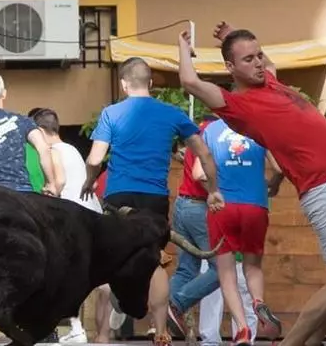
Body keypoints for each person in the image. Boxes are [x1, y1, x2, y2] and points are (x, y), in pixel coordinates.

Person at [177, 24, 326, 346]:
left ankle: (312, 339)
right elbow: (189, 81)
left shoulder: (270, 82)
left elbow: (270, 65)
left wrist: (233, 35)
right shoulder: (239, 106)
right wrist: (183, 46)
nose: (258, 63)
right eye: (248, 59)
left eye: (259, 55)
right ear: (231, 67)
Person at [80, 57, 224, 346]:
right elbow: (205, 154)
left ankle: (110, 323)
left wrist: (89, 180)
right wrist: (214, 190)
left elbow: (95, 159)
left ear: (124, 84)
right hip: (154, 199)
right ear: (151, 83)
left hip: (118, 197)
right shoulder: (171, 113)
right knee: (155, 260)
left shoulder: (112, 113)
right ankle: (160, 330)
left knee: (112, 257)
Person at [191, 117, 283, 344]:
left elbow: (198, 173)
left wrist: (212, 191)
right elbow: (280, 167)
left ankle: (242, 329)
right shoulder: (259, 126)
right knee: (252, 267)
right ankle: (258, 302)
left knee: (226, 272)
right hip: (255, 205)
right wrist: (273, 184)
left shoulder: (211, 130)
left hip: (223, 206)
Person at [30, 108, 112, 344]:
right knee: (100, 280)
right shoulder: (72, 149)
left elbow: (59, 182)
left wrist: (48, 192)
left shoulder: (52, 151)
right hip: (93, 214)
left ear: (40, 131)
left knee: (65, 275)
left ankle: (76, 328)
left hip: (72, 220)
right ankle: (102, 333)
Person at [165, 115, 220, 340]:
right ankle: (176, 304)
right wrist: (217, 192)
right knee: (221, 270)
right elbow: (200, 174)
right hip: (199, 208)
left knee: (186, 270)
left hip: (182, 204)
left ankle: (161, 319)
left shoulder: (197, 131)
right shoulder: (215, 132)